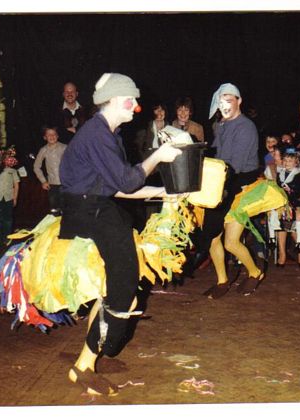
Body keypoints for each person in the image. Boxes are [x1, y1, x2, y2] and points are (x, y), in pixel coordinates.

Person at [58, 73, 181, 396]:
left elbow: (119, 187)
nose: (137, 106)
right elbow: (126, 184)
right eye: (131, 100)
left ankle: (93, 352)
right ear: (113, 100)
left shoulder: (104, 132)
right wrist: (158, 156)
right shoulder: (98, 133)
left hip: (92, 207)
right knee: (124, 284)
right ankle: (84, 365)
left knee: (107, 284)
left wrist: (165, 192)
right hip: (90, 212)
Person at [190, 82, 263, 299]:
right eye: (222, 101)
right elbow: (218, 153)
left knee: (231, 241)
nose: (225, 105)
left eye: (229, 100)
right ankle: (222, 280)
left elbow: (236, 164)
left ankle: (255, 272)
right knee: (213, 236)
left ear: (239, 101)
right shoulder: (220, 125)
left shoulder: (246, 127)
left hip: (240, 182)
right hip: (223, 179)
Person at [276, 147, 300, 267]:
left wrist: (299, 195)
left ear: (296, 160)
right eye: (284, 159)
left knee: (295, 217)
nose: (286, 163)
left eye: (290, 160)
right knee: (280, 216)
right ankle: (282, 253)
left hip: (299, 202)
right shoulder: (278, 171)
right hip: (282, 203)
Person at [33, 126, 67, 213]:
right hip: (52, 184)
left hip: (66, 183)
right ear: (45, 137)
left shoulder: (65, 148)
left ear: (58, 136)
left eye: (54, 134)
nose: (52, 136)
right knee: (54, 208)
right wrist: (43, 181)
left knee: (66, 207)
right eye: (49, 135)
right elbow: (36, 166)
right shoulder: (43, 150)